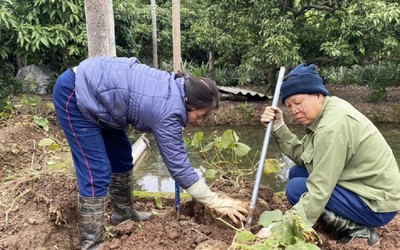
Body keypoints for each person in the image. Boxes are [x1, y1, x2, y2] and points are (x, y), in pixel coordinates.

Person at [52, 56, 248, 249]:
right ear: (189, 102)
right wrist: (215, 201)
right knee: (97, 171)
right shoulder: (168, 110)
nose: (200, 121)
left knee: (122, 157)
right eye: (201, 115)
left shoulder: (177, 89)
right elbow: (179, 167)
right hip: (76, 92)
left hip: (106, 99)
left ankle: (124, 214)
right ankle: (92, 242)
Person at [259, 63, 400, 246]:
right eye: (289, 106)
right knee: (297, 173)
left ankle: (359, 230)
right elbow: (306, 157)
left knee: (296, 189)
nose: (294, 110)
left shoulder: (332, 127)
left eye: (298, 103)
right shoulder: (329, 109)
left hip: (376, 204)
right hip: (363, 187)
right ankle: (337, 219)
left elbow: (320, 188)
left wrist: (281, 227)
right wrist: (279, 127)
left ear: (318, 95)